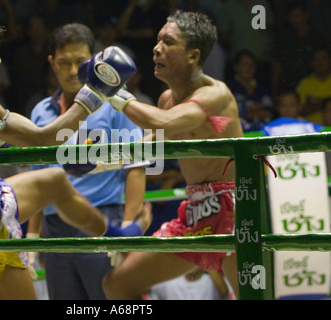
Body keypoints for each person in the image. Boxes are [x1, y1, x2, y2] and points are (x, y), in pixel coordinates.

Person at [0, 13, 151, 300]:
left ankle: (116, 236)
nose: (0, 62)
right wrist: (93, 93)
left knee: (55, 180)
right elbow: (45, 138)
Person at [87, 10, 244, 299]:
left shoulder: (215, 95)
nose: (157, 48)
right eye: (158, 40)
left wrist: (113, 91)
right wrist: (96, 162)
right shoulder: (167, 100)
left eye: (168, 42)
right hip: (196, 210)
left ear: (193, 56)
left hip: (237, 210)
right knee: (117, 284)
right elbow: (149, 144)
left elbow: (163, 122)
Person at [27, 23, 148, 300]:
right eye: (63, 62)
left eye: (79, 62)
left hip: (103, 223)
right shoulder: (40, 112)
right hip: (56, 230)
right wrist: (32, 241)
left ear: (93, 61)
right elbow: (38, 180)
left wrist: (127, 232)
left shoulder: (116, 104)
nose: (72, 71)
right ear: (51, 63)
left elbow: (136, 166)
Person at [226, 50, 274, 131]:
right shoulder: (228, 89)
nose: (249, 68)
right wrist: (258, 108)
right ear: (236, 67)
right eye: (244, 64)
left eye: (251, 64)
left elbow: (269, 113)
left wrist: (246, 111)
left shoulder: (262, 89)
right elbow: (231, 115)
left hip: (262, 133)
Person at [296, 47, 331, 124]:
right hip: (310, 132)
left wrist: (314, 104)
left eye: (323, 58)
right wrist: (326, 104)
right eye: (316, 59)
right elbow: (298, 110)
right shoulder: (305, 83)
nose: (319, 63)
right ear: (311, 63)